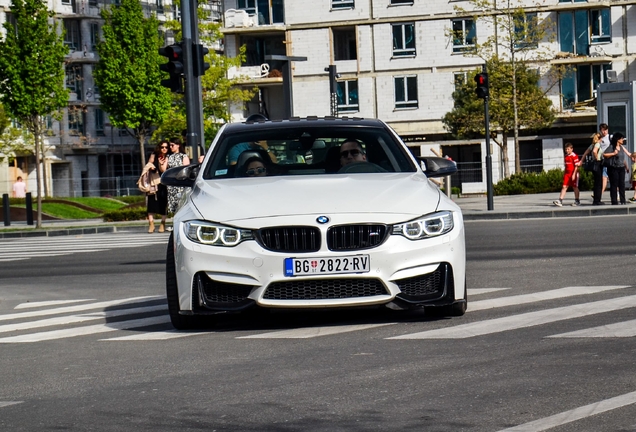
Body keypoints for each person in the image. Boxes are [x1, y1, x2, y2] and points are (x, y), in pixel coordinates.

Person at [146, 142, 169, 233]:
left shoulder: (169, 156)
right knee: (151, 202)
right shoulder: (154, 155)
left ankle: (162, 223)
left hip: (164, 182)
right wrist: (153, 168)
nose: (164, 149)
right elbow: (149, 165)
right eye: (162, 147)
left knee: (163, 203)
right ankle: (151, 224)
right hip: (154, 182)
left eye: (166, 147)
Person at [577, 133, 604, 205]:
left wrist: (581, 160)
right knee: (599, 183)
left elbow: (586, 152)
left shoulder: (592, 145)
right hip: (597, 164)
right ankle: (597, 200)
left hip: (593, 165)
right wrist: (597, 158)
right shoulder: (597, 144)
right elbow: (595, 151)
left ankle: (596, 199)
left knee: (596, 182)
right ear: (600, 138)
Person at [603, 132, 628, 205]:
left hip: (621, 168)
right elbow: (604, 154)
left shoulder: (622, 147)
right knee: (614, 184)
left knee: (622, 184)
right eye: (621, 138)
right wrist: (613, 153)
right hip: (613, 168)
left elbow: (623, 158)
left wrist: (626, 167)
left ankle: (623, 200)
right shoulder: (611, 147)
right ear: (617, 139)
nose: (622, 140)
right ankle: (614, 201)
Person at [167, 138, 191, 215]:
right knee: (173, 206)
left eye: (172, 145)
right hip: (171, 185)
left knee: (181, 203)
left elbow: (186, 169)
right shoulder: (169, 157)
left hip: (180, 184)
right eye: (169, 145)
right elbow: (165, 169)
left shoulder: (183, 156)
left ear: (178, 145)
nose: (170, 147)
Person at [553, 142, 580, 207]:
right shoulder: (566, 156)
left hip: (574, 173)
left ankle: (577, 200)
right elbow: (566, 166)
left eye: (568, 149)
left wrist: (574, 174)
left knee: (575, 187)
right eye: (566, 149)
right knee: (564, 186)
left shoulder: (574, 156)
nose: (567, 151)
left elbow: (576, 166)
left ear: (571, 149)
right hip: (567, 174)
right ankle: (560, 200)